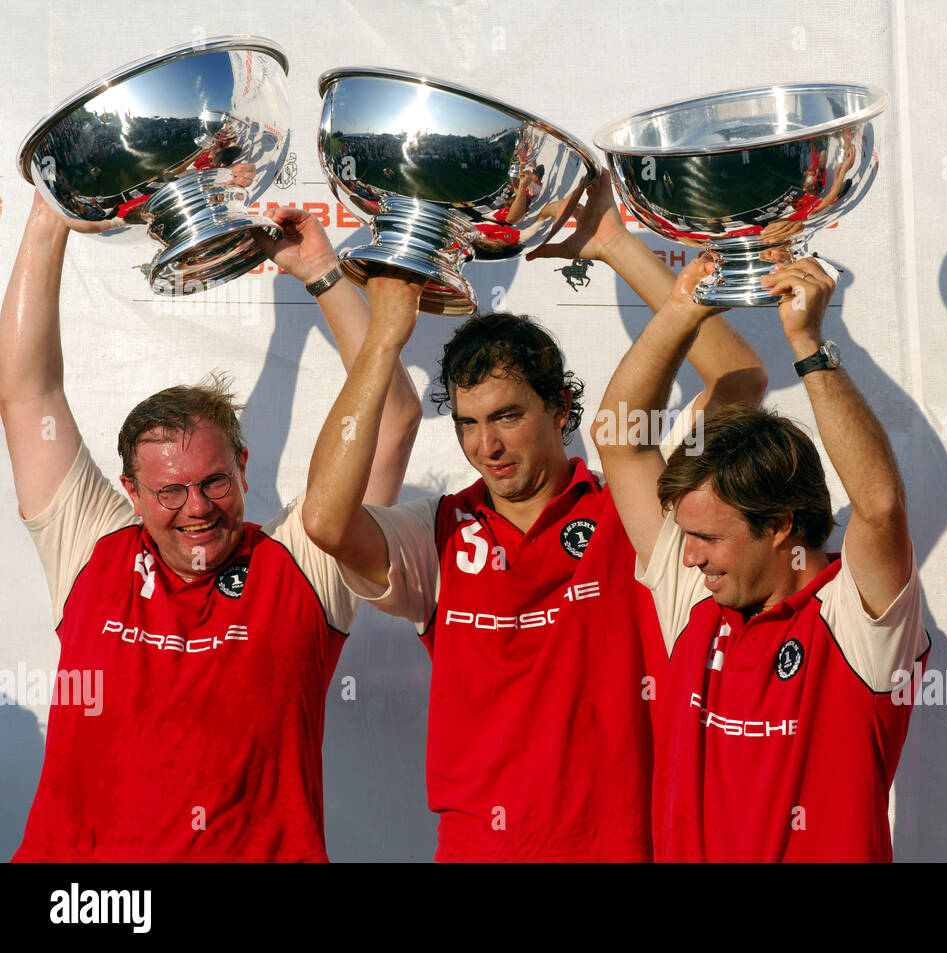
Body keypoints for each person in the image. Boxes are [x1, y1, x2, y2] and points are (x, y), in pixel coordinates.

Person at [301, 173, 767, 861]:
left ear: (559, 409)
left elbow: (740, 383)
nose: (487, 446)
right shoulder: (438, 534)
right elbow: (326, 521)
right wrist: (382, 344)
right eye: (468, 424)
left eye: (508, 416)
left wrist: (614, 245)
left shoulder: (634, 502)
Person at [0, 194, 422, 861]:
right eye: (170, 491)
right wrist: (51, 217)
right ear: (129, 491)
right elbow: (29, 394)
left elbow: (393, 414)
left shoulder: (305, 561)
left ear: (244, 469)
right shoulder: (90, 546)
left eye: (214, 482)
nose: (197, 509)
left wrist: (320, 271)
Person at [592, 255, 929, 861]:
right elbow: (619, 438)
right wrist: (680, 310)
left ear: (779, 524)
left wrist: (808, 345)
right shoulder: (698, 592)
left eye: (709, 538)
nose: (685, 557)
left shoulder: (857, 618)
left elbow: (879, 506)